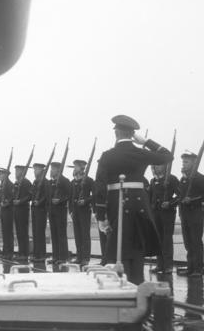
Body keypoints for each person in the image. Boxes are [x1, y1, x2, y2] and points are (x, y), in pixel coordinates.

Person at [94, 115, 172, 284]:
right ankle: (137, 283)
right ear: (132, 135)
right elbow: (167, 156)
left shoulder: (107, 156)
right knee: (137, 243)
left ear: (116, 134)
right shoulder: (140, 152)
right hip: (139, 203)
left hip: (116, 203)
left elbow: (99, 187)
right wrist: (145, 141)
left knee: (118, 244)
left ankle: (120, 283)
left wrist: (100, 215)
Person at [176, 152, 204, 278]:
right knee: (187, 242)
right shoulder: (184, 179)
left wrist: (192, 199)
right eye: (183, 162)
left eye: (186, 162)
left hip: (195, 213)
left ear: (194, 163)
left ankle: (198, 269)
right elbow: (180, 195)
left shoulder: (200, 178)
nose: (183, 164)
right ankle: (190, 268)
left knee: (196, 241)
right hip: (184, 213)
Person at [149, 163, 179, 275]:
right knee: (158, 239)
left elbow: (180, 195)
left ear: (165, 167)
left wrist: (170, 203)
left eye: (160, 165)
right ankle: (160, 265)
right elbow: (150, 197)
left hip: (167, 213)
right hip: (156, 213)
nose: (157, 167)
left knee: (166, 239)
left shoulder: (171, 179)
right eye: (155, 165)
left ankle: (168, 266)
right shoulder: (153, 181)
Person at [69, 160, 94, 265]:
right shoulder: (73, 182)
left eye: (76, 167)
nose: (74, 169)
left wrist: (86, 201)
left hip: (84, 210)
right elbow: (70, 197)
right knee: (77, 234)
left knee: (85, 234)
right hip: (75, 211)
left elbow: (95, 195)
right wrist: (70, 210)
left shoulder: (88, 180)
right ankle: (79, 256)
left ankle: (86, 258)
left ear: (81, 168)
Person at [47, 161, 71, 265]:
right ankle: (55, 256)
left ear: (58, 170)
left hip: (60, 210)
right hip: (52, 210)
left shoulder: (65, 181)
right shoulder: (51, 182)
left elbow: (69, 195)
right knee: (54, 234)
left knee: (61, 234)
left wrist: (60, 200)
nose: (51, 171)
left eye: (53, 169)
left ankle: (63, 257)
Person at [11, 165, 32, 261]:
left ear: (22, 172)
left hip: (23, 209)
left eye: (18, 171)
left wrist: (20, 201)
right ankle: (20, 252)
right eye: (15, 171)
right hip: (16, 209)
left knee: (23, 232)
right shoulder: (16, 183)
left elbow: (29, 196)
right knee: (19, 232)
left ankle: (25, 253)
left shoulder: (26, 183)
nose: (16, 173)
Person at [30, 163, 49, 261]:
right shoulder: (35, 181)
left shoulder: (45, 182)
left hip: (41, 210)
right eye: (34, 170)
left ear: (41, 170)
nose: (34, 172)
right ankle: (36, 254)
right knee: (35, 232)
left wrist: (39, 202)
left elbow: (46, 196)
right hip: (34, 209)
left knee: (40, 232)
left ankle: (41, 254)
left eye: (36, 170)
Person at [0, 168, 15, 259]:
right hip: (3, 210)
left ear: (6, 175)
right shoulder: (2, 185)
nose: (0, 176)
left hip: (8, 210)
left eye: (1, 174)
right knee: (4, 231)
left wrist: (6, 203)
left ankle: (9, 252)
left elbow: (12, 197)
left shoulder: (10, 185)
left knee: (8, 232)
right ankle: (5, 251)